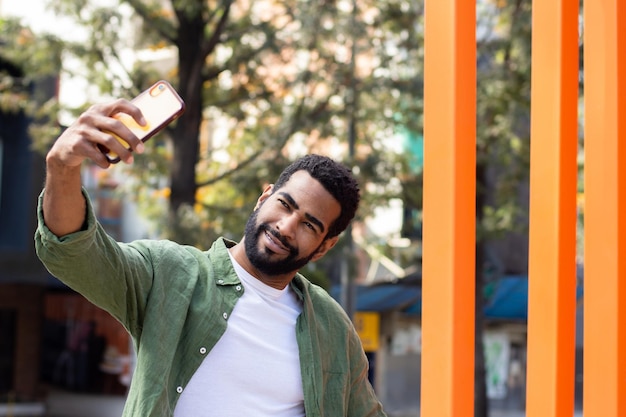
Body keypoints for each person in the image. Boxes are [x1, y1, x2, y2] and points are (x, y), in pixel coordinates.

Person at [35, 98, 387, 417]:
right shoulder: (170, 274)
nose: (286, 227)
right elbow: (76, 252)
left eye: (309, 224)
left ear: (326, 245)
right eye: (285, 204)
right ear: (264, 197)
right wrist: (61, 168)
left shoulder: (332, 327)